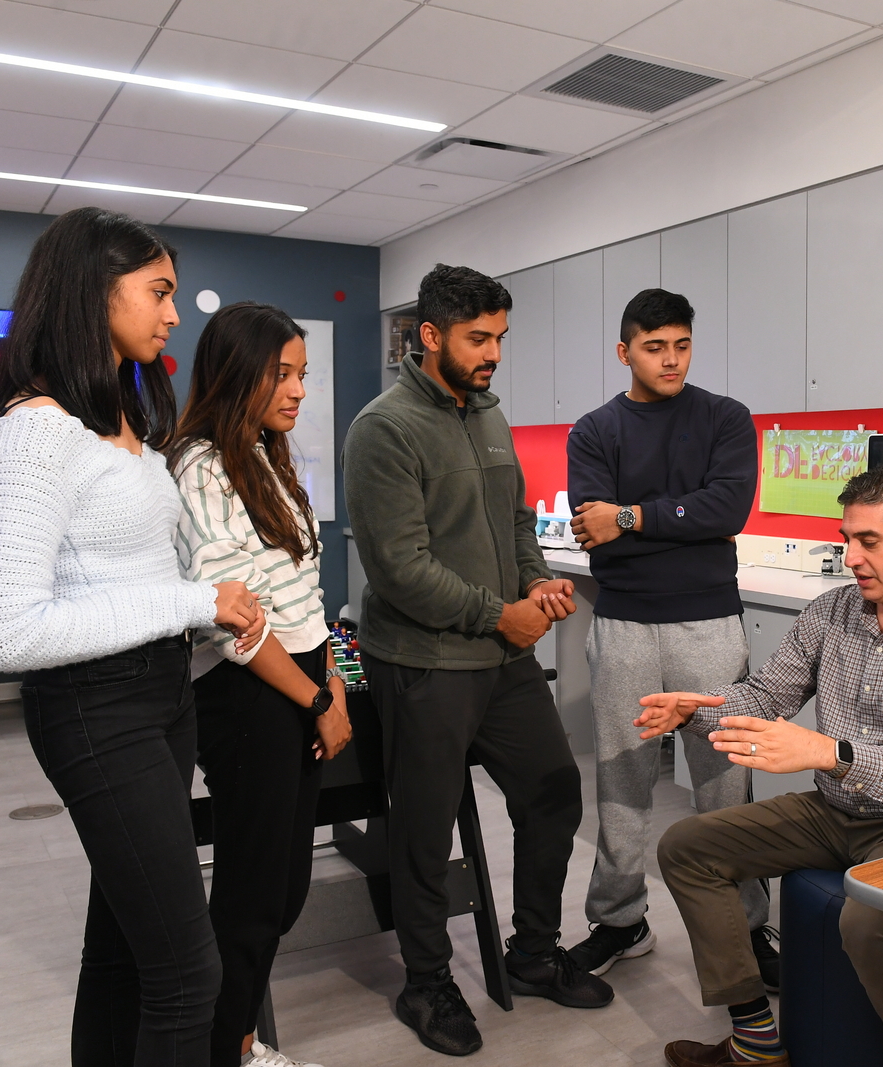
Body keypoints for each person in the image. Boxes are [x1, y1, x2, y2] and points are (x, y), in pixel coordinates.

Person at [0, 206, 264, 1065]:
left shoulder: (118, 421)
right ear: (96, 292)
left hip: (159, 696)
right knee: (187, 973)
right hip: (98, 709)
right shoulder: (33, 435)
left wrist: (201, 604)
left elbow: (127, 575)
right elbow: (2, 633)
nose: (175, 314)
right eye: (159, 292)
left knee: (125, 956)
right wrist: (194, 601)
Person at [636, 462, 883, 1067]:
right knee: (686, 847)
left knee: (869, 926)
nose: (851, 557)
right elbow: (766, 695)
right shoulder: (832, 612)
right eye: (846, 540)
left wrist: (827, 754)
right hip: (840, 807)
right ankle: (756, 1040)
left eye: (868, 541)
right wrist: (693, 711)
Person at [342, 263, 611, 1058]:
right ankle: (424, 982)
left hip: (502, 657)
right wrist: (503, 612)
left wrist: (534, 582)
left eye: (500, 337)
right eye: (478, 338)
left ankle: (530, 952)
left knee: (555, 792)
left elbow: (517, 519)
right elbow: (399, 566)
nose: (494, 352)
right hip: (425, 661)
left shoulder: (489, 414)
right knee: (425, 832)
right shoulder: (382, 429)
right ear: (430, 337)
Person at [564, 289, 779, 984]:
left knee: (725, 779)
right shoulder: (594, 431)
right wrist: (669, 523)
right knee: (623, 778)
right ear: (625, 352)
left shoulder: (725, 418)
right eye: (655, 347)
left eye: (682, 345)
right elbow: (595, 528)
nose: (671, 359)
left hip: (708, 623)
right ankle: (619, 920)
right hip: (624, 622)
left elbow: (728, 506)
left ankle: (747, 928)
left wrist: (629, 518)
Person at [168, 302, 354, 1067]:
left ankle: (237, 1038)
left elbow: (304, 592)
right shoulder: (200, 466)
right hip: (251, 693)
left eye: (303, 374)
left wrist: (333, 677)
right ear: (237, 371)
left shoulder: (270, 456)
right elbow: (234, 620)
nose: (299, 389)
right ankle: (226, 1048)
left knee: (285, 889)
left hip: (303, 676)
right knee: (251, 898)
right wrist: (311, 696)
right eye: (282, 373)